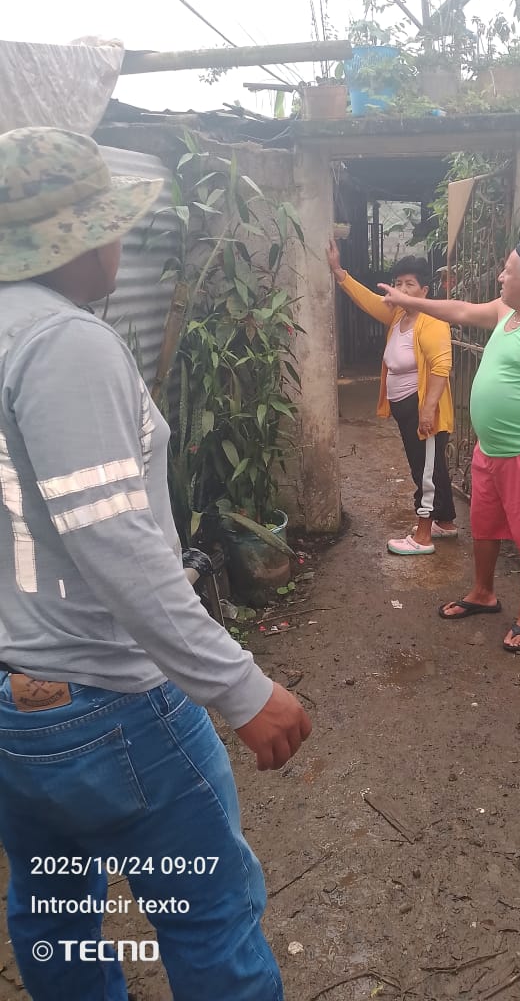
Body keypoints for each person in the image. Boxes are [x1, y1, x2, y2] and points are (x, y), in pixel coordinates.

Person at [0, 126, 311, 1001]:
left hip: (15, 707)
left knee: (53, 916)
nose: (121, 237)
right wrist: (239, 687)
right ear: (72, 239)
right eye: (109, 221)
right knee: (208, 916)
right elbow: (116, 543)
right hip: (109, 703)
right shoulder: (63, 344)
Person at [380, 234, 520, 652]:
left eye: (507, 270)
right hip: (490, 450)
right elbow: (460, 310)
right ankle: (483, 592)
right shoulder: (507, 311)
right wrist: (409, 300)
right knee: (484, 526)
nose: (500, 276)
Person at [327, 240, 457, 554]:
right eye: (398, 283)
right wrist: (339, 272)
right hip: (406, 407)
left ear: (425, 290)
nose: (401, 289)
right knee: (431, 465)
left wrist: (427, 411)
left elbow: (441, 367)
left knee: (424, 471)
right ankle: (445, 522)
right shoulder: (399, 315)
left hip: (423, 408)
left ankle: (423, 536)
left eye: (409, 284)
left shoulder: (432, 321)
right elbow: (369, 301)